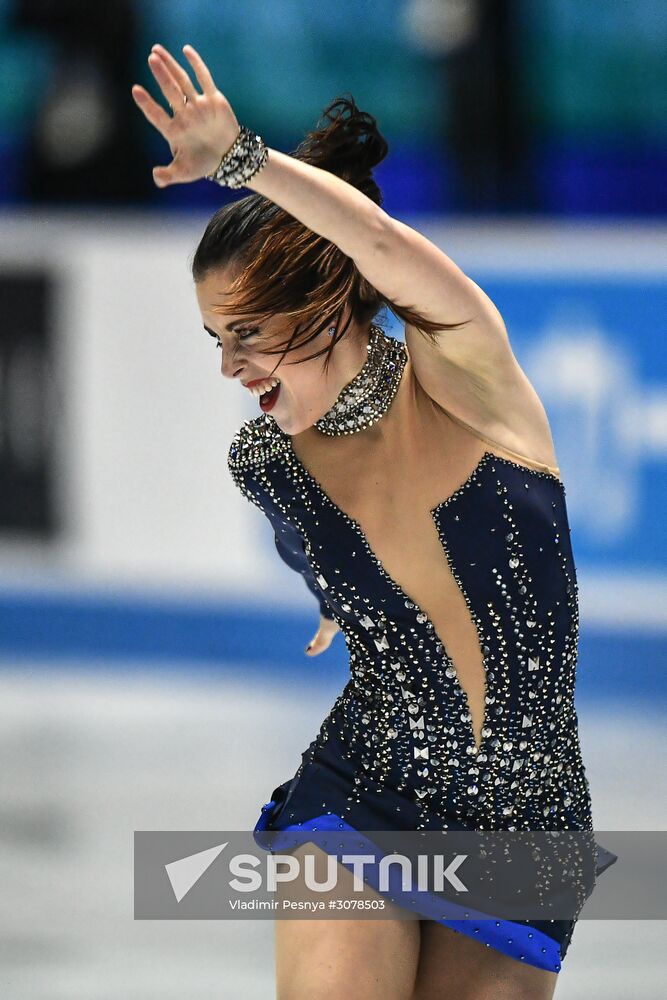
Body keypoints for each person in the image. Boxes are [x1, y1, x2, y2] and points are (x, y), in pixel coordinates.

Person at [132, 43, 615, 1000]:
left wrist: (245, 163)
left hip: (527, 820)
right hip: (363, 786)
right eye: (215, 342)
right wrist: (334, 595)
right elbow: (327, 559)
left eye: (247, 334)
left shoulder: (463, 374)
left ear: (319, 298)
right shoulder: (266, 460)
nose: (230, 369)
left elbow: (387, 252)